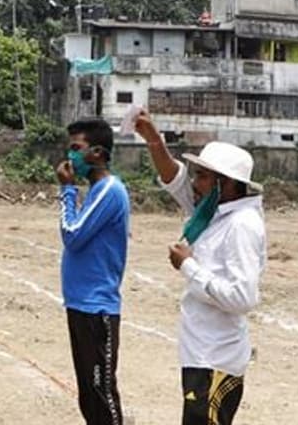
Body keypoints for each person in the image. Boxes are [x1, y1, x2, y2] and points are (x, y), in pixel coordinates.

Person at [134, 110, 265, 425]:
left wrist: (188, 266)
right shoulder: (211, 213)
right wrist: (154, 140)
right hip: (202, 354)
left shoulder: (241, 225)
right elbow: (174, 180)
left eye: (203, 177)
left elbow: (243, 298)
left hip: (216, 359)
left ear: (227, 184)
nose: (194, 183)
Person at [56, 118, 130, 425]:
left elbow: (72, 234)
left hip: (96, 308)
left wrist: (68, 190)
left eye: (77, 148)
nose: (70, 156)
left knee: (101, 393)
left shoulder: (109, 190)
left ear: (97, 153)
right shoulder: (97, 190)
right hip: (80, 305)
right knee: (89, 393)